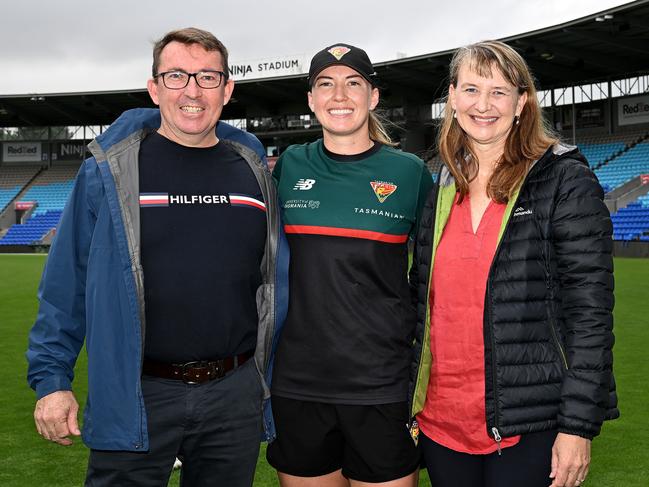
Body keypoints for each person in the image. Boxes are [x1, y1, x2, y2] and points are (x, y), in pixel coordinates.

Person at [26, 27, 288, 487]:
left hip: (233, 393)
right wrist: (52, 381)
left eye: (207, 77)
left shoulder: (254, 171)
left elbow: (273, 281)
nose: (192, 90)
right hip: (137, 391)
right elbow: (67, 282)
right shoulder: (109, 171)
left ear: (227, 90)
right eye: (176, 76)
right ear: (154, 88)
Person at [408, 40, 618, 487]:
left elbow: (590, 317)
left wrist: (577, 426)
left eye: (499, 91)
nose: (483, 105)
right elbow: (421, 304)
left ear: (522, 102)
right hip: (442, 422)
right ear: (451, 97)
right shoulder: (442, 184)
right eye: (471, 89)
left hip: (529, 424)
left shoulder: (564, 180)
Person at [266, 43, 433, 487]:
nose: (339, 95)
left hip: (382, 384)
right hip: (297, 383)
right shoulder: (288, 167)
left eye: (352, 83)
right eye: (326, 84)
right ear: (311, 100)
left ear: (373, 97)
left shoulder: (410, 172)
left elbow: (435, 274)